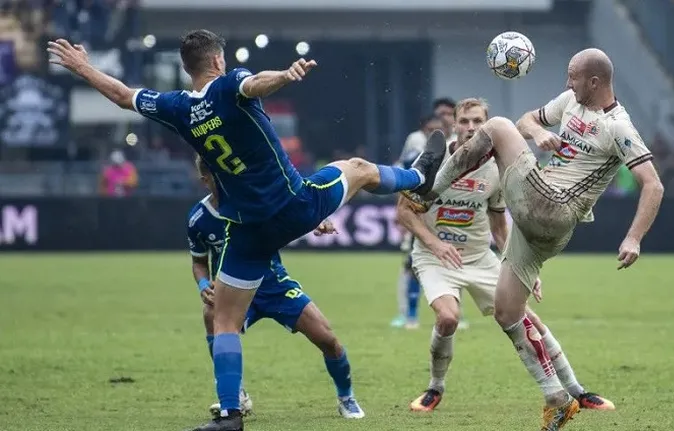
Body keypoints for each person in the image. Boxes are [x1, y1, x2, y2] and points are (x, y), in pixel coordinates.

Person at [47, 30, 446, 431]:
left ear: (187, 68)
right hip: (295, 206)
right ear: (218, 62)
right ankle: (417, 176)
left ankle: (230, 415)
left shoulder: (175, 106)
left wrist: (83, 67)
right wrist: (287, 76)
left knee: (223, 321)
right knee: (357, 168)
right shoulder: (229, 84)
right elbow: (254, 83)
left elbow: (122, 95)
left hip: (249, 229)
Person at [405, 49, 664, 430]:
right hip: (541, 226)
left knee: (494, 126)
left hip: (553, 204)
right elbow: (528, 120)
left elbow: (653, 185)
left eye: (573, 76)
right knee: (509, 313)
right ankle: (557, 398)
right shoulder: (569, 103)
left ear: (594, 81)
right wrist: (541, 133)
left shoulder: (619, 127)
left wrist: (634, 238)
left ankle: (425, 189)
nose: (567, 83)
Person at [397, 97, 613, 415]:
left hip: (479, 257)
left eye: (478, 122)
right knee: (447, 317)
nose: (471, 128)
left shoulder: (496, 165)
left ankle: (577, 391)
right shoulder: (432, 158)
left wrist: (522, 266)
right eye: (465, 121)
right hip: (435, 257)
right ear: (453, 123)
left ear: (486, 125)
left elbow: (499, 223)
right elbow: (404, 212)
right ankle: (435, 388)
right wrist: (434, 244)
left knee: (528, 319)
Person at [188, 156, 363, 421]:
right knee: (211, 314)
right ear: (205, 180)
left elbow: (291, 212)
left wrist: (317, 219)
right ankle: (235, 396)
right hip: (234, 293)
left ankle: (346, 397)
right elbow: (199, 262)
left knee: (328, 339)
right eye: (217, 176)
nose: (227, 180)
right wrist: (203, 284)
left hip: (274, 286)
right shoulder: (199, 219)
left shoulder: (254, 201)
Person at [391, 114, 442, 329]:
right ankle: (410, 314)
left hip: (447, 214)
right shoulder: (417, 142)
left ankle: (454, 313)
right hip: (420, 212)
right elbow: (404, 172)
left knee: (457, 261)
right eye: (431, 128)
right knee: (412, 264)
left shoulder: (455, 142)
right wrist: (402, 212)